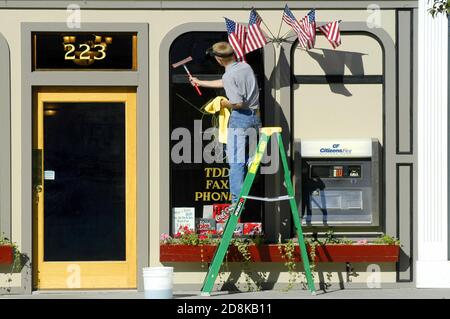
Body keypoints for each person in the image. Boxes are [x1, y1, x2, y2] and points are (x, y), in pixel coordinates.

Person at [190, 41, 262, 208]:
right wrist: (201, 82)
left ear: (219, 60)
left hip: (240, 118)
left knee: (236, 161)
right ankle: (250, 162)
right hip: (255, 118)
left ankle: (237, 203)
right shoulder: (245, 67)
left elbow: (237, 103)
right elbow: (226, 82)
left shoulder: (229, 76)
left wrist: (223, 104)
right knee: (250, 159)